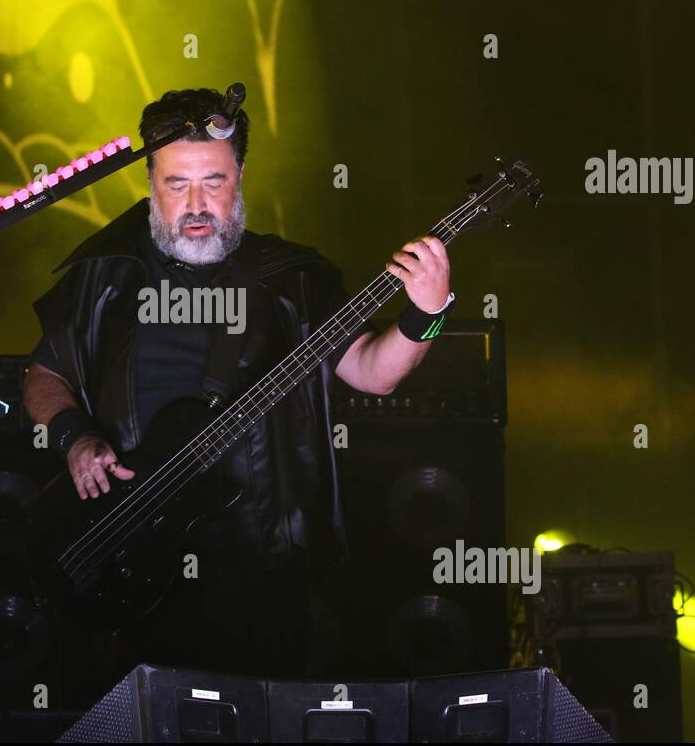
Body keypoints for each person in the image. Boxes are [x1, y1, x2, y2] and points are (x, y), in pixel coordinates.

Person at [25, 87, 453, 681]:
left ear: (241, 174)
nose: (196, 203)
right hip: (130, 552)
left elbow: (371, 372)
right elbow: (45, 374)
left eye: (214, 182)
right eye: (177, 184)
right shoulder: (105, 277)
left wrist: (426, 312)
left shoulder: (293, 278)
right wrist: (74, 438)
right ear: (149, 179)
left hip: (265, 564)